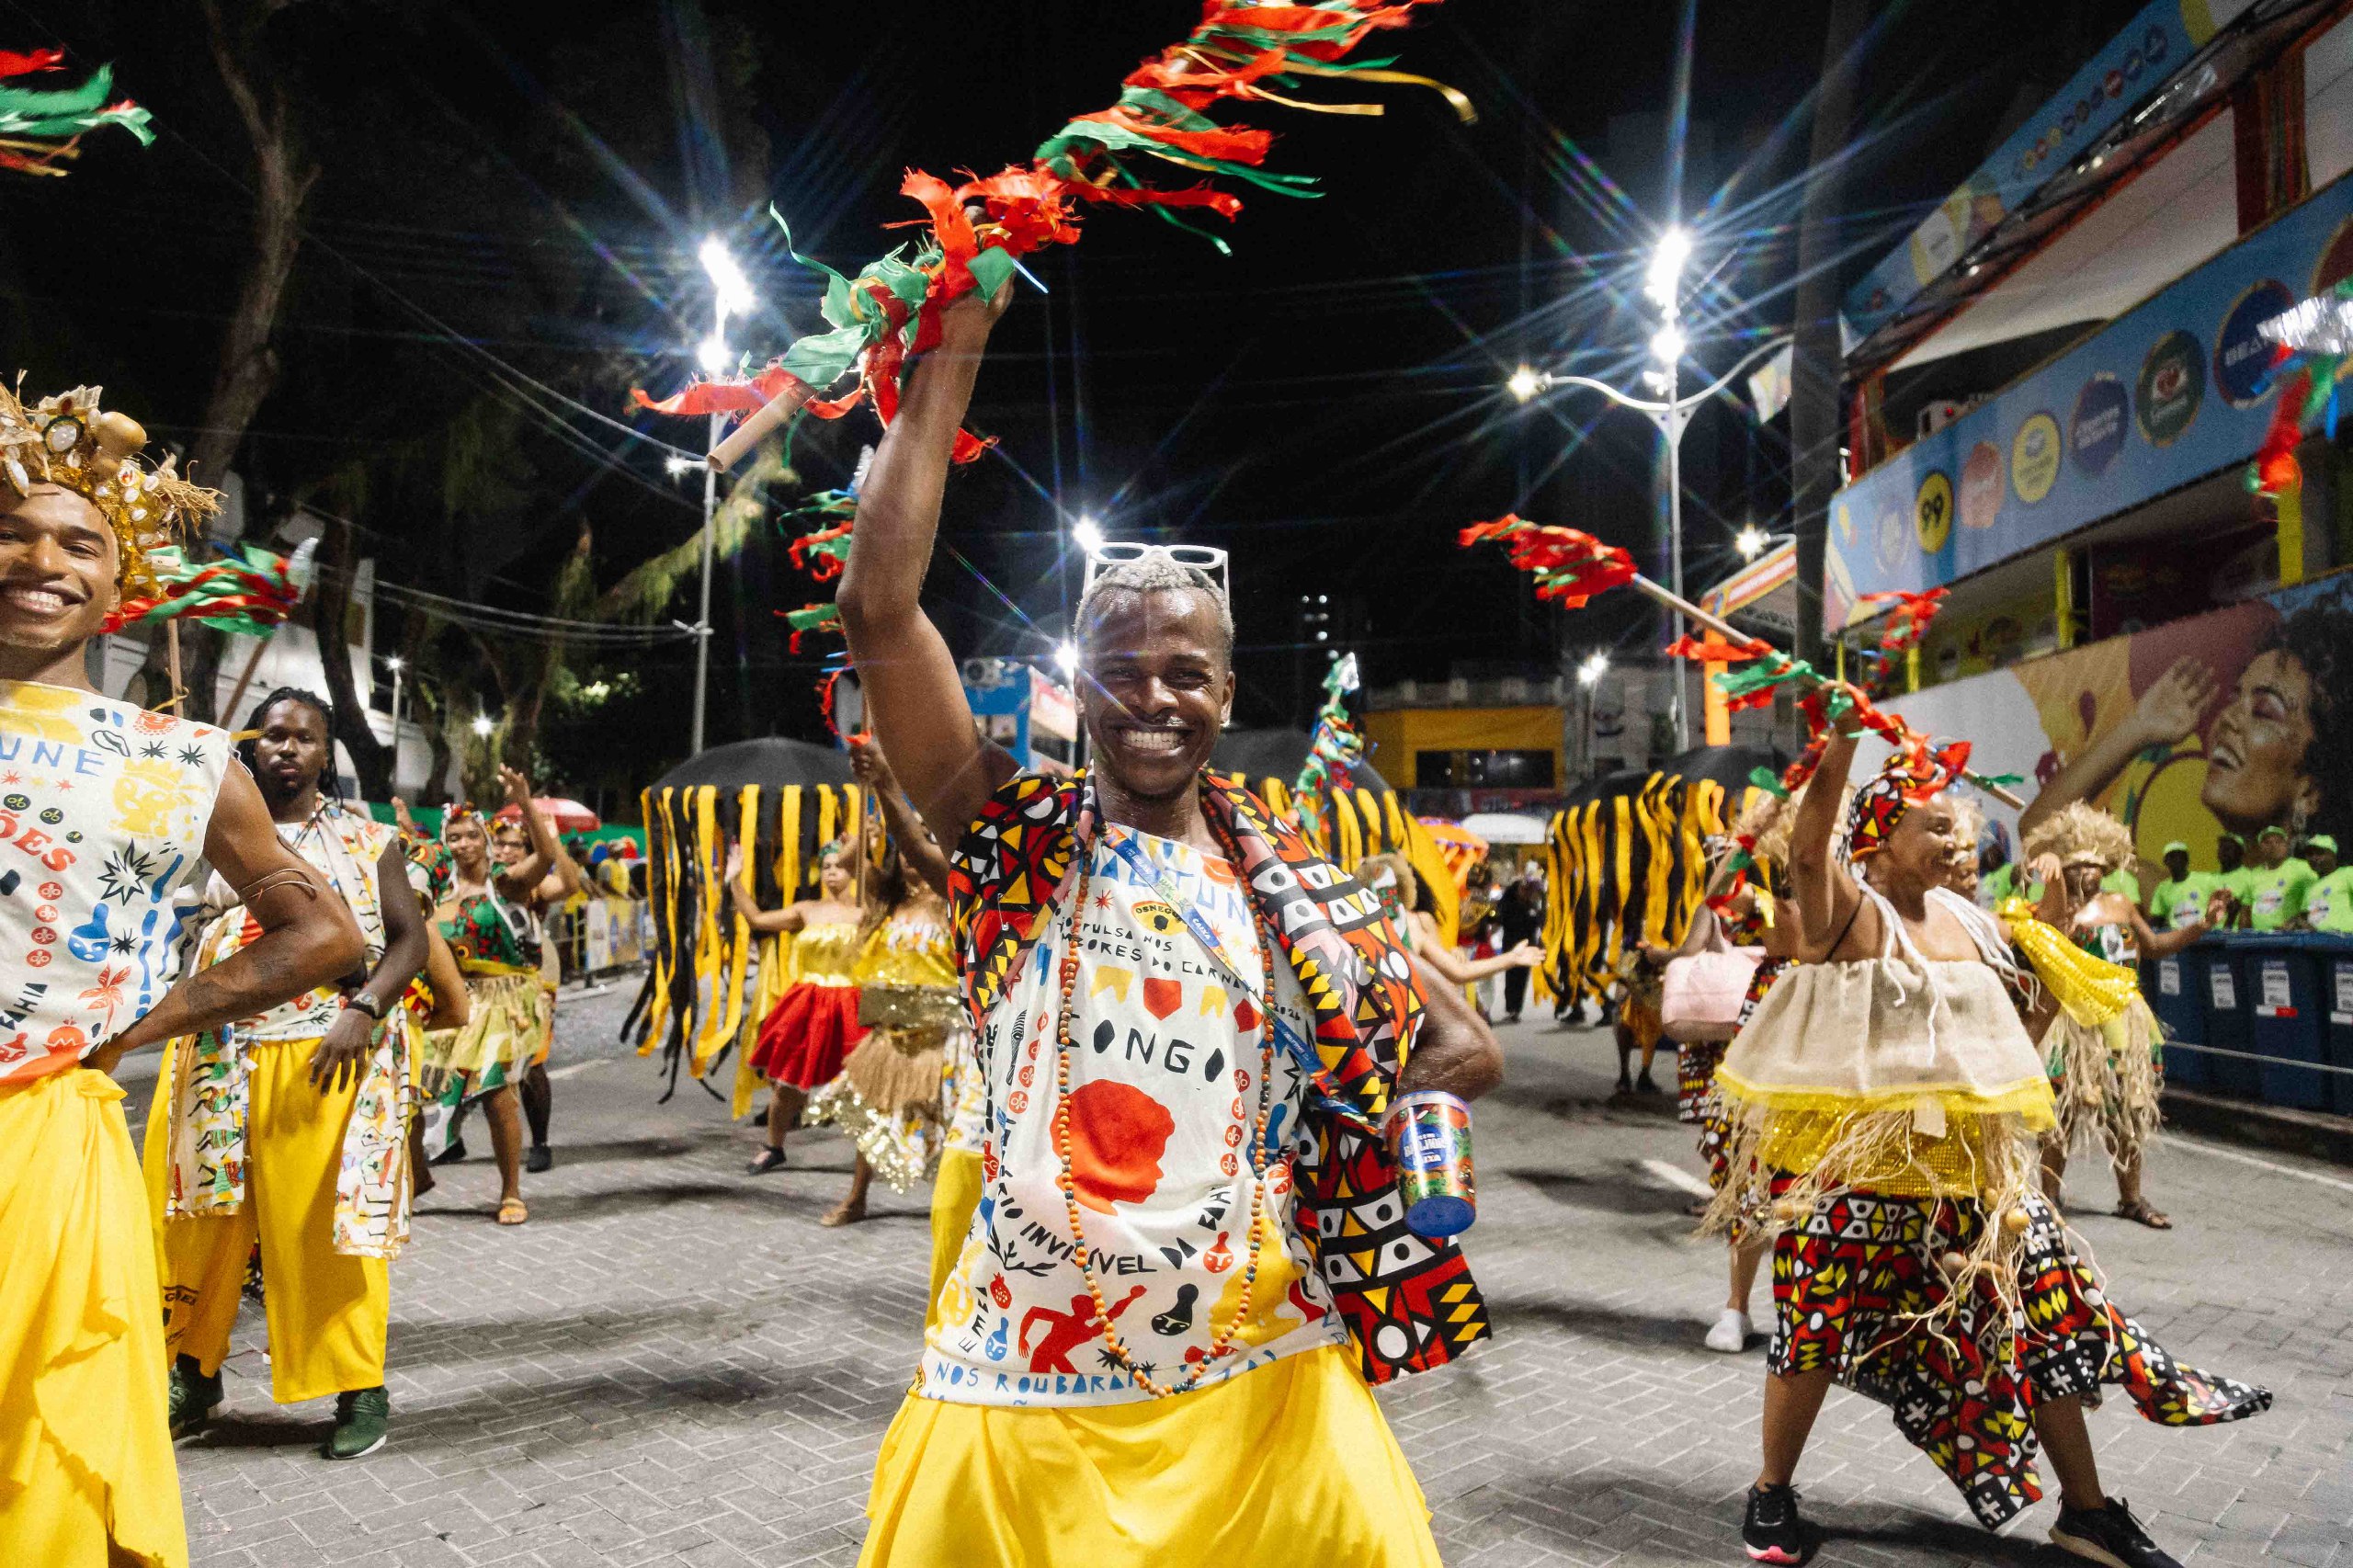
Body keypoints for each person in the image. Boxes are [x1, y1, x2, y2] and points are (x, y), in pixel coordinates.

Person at [836, 278, 1501, 1567]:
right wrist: (956, 346)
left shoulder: (1290, 872)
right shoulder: (1011, 836)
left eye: (1186, 670)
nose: (1155, 696)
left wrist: (1388, 1122)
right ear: (1073, 686)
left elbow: (1462, 1043)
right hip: (1028, 1358)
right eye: (1121, 668)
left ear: (1228, 688)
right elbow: (878, 610)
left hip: (1258, 1349)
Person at [1708, 722, 2269, 1566]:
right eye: (1934, 826)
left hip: (1974, 1184)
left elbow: (2016, 1035)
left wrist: (2056, 933)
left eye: (1959, 826)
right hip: (1860, 1178)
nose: (1958, 837)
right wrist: (1840, 746)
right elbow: (1807, 853)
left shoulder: (1972, 922)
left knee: (2040, 1320)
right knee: (1811, 1335)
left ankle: (2088, 1511)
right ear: (1879, 844)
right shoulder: (1850, 918)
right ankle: (1772, 1491)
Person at [0, 380, 365, 1566]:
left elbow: (323, 934)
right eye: (14, 532)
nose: (40, 559)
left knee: (43, 1467)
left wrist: (136, 1021)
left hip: (48, 1148)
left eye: (78, 543)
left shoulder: (177, 760)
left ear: (121, 585)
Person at [150, 688, 433, 1460]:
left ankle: (358, 1384)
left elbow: (409, 941)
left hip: (326, 1056)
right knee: (197, 1225)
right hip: (216, 1054)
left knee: (325, 1231)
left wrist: (366, 1010)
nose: (286, 749)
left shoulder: (368, 839)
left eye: (304, 738)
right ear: (250, 748)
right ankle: (191, 1370)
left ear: (325, 752)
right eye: (272, 736)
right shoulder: (207, 834)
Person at [2007, 803, 2213, 1229]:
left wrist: (2200, 927)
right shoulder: (2058, 910)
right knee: (2061, 1111)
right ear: (2065, 869)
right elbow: (2046, 948)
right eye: (2081, 866)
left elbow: (2153, 947)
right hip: (2072, 1018)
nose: (2091, 873)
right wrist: (2059, 893)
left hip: (2123, 1013)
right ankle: (2047, 1198)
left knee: (2129, 1109)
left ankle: (2131, 1198)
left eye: (2097, 866)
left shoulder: (2121, 904)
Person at [803, 737, 959, 1226]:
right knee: (870, 1118)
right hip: (887, 1033)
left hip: (943, 1035)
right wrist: (866, 827)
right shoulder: (883, 903)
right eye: (909, 850)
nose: (915, 856)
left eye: (927, 846)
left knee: (952, 1124)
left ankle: (959, 1207)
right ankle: (856, 1198)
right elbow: (847, 866)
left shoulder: (951, 902)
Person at [415, 768, 562, 1225]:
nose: (462, 845)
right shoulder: (437, 889)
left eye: (470, 836)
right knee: (410, 1094)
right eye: (453, 837)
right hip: (450, 1002)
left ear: (484, 838)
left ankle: (511, 1191)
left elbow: (546, 861)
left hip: (502, 1002)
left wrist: (525, 803)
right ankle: (417, 1176)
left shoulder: (506, 882)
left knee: (499, 1095)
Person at [731, 835, 864, 1174]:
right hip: (809, 1003)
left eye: (840, 866)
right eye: (827, 867)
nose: (833, 872)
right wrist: (734, 878)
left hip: (852, 1003)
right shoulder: (807, 909)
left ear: (854, 870)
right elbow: (758, 920)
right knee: (789, 1080)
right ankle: (773, 1147)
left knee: (867, 1084)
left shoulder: (866, 912)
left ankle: (874, 1158)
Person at [490, 812, 583, 1174]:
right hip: (484, 975)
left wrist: (552, 839)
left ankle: (540, 1142)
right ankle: (451, 1136)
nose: (506, 851)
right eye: (500, 843)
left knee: (532, 1059)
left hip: (533, 972)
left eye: (516, 845)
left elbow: (570, 885)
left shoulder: (533, 886)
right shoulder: (477, 877)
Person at [1495, 864, 1546, 1022]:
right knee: (1511, 976)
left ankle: (1516, 1010)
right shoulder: (1510, 898)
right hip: (1511, 942)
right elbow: (1502, 917)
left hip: (1527, 944)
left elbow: (1539, 921)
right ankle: (1511, 1008)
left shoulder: (1533, 902)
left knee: (1522, 978)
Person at [2238, 824, 2313, 930]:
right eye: (2267, 842)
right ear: (2260, 847)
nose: (2273, 846)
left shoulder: (2302, 868)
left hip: (2289, 938)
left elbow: (2317, 897)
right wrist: (2242, 937)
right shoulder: (2253, 875)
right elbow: (2246, 911)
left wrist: (2295, 922)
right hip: (2258, 940)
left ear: (2286, 845)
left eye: (2278, 841)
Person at [2145, 841, 2215, 931]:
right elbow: (2157, 919)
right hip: (2177, 938)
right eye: (2172, 857)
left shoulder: (2206, 880)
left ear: (2187, 860)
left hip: (2204, 935)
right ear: (2165, 861)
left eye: (2180, 857)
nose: (2177, 860)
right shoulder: (2162, 888)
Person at [2300, 835, 2353, 931]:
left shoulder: (2348, 873)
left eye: (2319, 853)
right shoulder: (2310, 886)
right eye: (2310, 854)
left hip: (2345, 940)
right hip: (2317, 942)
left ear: (2332, 854)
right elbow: (2305, 916)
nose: (2314, 858)